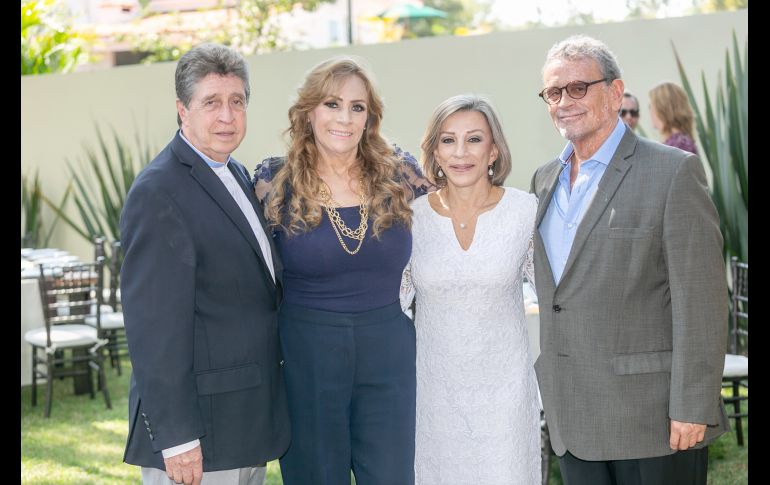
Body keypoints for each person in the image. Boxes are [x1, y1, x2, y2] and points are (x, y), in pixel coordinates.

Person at [531, 34, 729, 485]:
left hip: (653, 422)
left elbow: (701, 301)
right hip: (573, 420)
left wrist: (692, 405)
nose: (564, 102)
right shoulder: (543, 181)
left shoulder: (672, 172)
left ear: (615, 92)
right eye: (553, 92)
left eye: (578, 87)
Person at [252, 55, 432, 485]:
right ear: (308, 112)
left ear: (370, 117)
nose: (345, 118)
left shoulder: (399, 174)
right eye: (332, 104)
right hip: (307, 352)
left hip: (388, 350)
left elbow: (453, 223)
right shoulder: (274, 181)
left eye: (357, 107)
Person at [120, 43, 289, 485]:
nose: (227, 116)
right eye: (211, 102)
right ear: (183, 109)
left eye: (237, 101)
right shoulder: (159, 192)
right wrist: (177, 438)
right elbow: (153, 328)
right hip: (199, 436)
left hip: (243, 422)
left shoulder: (235, 172)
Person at [402, 94, 540, 484]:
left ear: (494, 150)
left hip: (505, 401)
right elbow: (390, 305)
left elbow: (559, 299)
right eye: (448, 140)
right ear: (434, 152)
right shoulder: (411, 219)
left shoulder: (525, 212)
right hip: (433, 398)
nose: (461, 152)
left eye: (474, 139)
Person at [649, 81, 699, 154]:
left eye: (651, 106)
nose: (650, 111)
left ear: (662, 108)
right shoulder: (679, 143)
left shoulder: (679, 145)